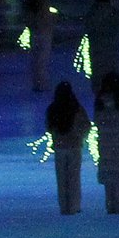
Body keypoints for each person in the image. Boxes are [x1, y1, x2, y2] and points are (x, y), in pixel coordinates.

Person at [93, 72, 119, 213]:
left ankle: (110, 204)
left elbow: (98, 122)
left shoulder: (100, 102)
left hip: (105, 143)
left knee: (109, 174)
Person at [45, 81, 88, 214]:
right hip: (74, 146)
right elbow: (86, 125)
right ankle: (74, 206)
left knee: (62, 179)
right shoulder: (76, 108)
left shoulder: (52, 109)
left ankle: (64, 206)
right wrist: (80, 135)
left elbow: (49, 126)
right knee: (74, 177)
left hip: (59, 147)